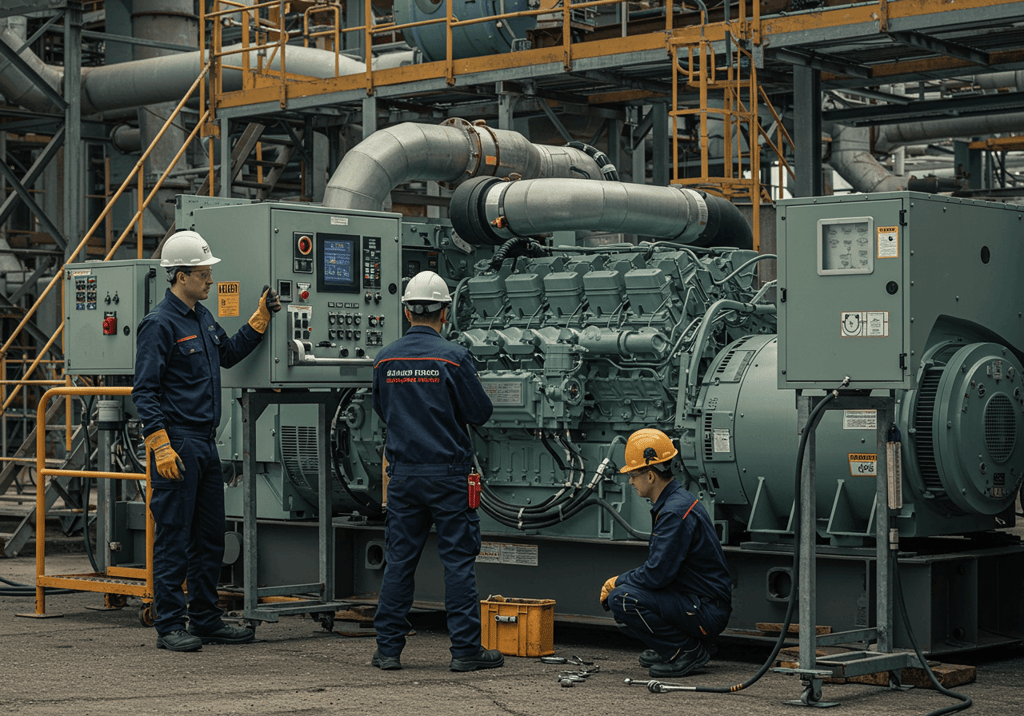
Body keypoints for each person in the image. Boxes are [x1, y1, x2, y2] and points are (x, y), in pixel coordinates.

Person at [133, 230, 280, 652]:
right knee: (174, 536)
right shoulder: (159, 324)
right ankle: (170, 625)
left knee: (210, 536)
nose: (211, 279)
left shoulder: (201, 317)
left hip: (204, 443)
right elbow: (144, 391)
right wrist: (160, 445)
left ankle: (205, 617)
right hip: (177, 443)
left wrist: (259, 319)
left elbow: (228, 353)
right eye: (203, 273)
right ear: (180, 276)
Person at [370, 270, 502, 672]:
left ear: (407, 311)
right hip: (448, 476)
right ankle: (465, 651)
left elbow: (382, 410)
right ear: (445, 313)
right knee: (458, 563)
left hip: (405, 476)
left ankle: (388, 650)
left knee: (399, 562)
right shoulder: (454, 358)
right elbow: (481, 412)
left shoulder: (385, 359)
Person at [600, 428, 732, 678]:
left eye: (634, 474)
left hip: (706, 611)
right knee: (626, 595)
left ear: (650, 476)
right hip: (699, 602)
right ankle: (675, 645)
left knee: (622, 599)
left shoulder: (674, 512)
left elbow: (656, 575)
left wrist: (617, 580)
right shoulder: (677, 502)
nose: (630, 481)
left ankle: (685, 650)